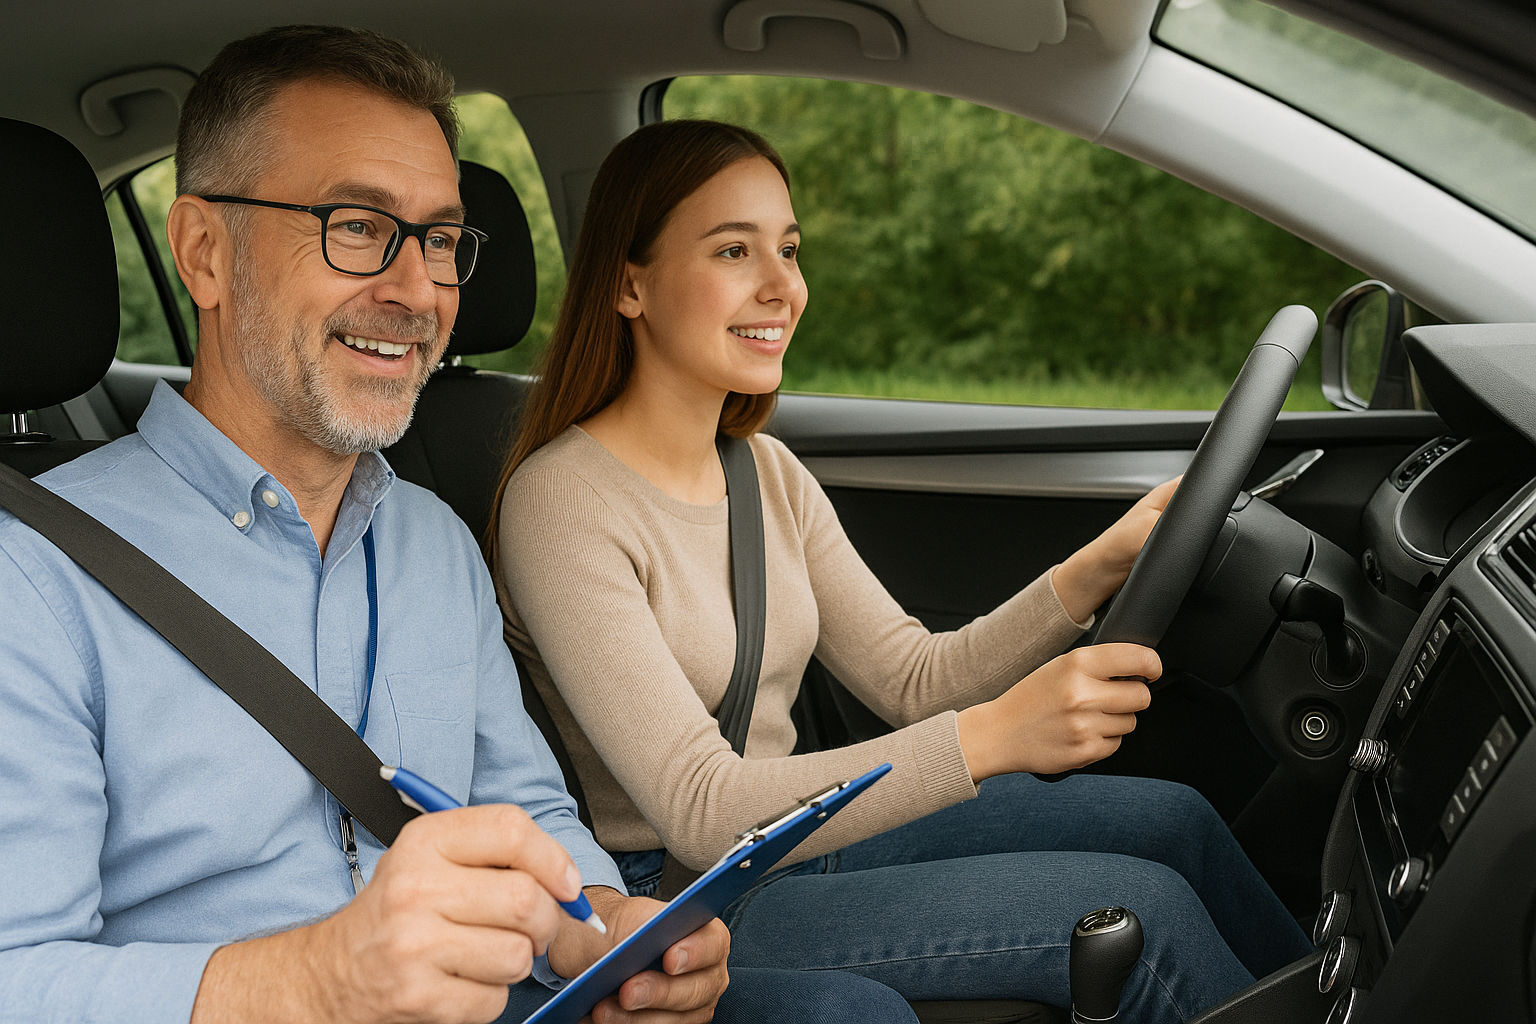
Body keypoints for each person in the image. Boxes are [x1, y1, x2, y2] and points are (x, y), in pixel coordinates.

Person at [0, 27, 772, 1024]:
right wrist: (317, 982)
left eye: (440, 240)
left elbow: (525, 814)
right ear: (203, 254)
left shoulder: (434, 542)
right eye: (357, 226)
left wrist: (607, 928)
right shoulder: (31, 576)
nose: (416, 290)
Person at [492, 119, 1316, 1023]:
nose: (784, 287)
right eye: (735, 249)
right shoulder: (562, 501)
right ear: (629, 285)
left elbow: (915, 679)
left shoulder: (764, 470)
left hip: (803, 831)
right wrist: (997, 736)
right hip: (693, 895)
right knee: (1140, 914)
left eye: (791, 249)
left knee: (1178, 826)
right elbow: (699, 806)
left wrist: (1099, 566)